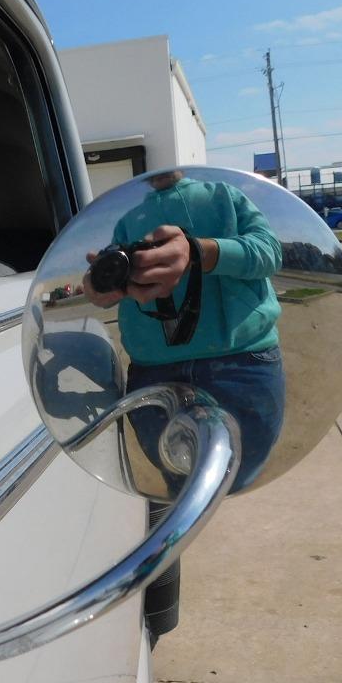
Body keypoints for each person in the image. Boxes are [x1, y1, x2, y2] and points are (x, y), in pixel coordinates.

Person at [83, 170, 286, 644]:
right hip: (156, 371)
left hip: (242, 363)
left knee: (237, 477)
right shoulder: (130, 217)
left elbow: (269, 253)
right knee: (164, 502)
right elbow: (110, 288)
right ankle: (157, 615)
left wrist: (200, 252)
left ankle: (157, 611)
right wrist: (103, 287)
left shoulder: (224, 196)